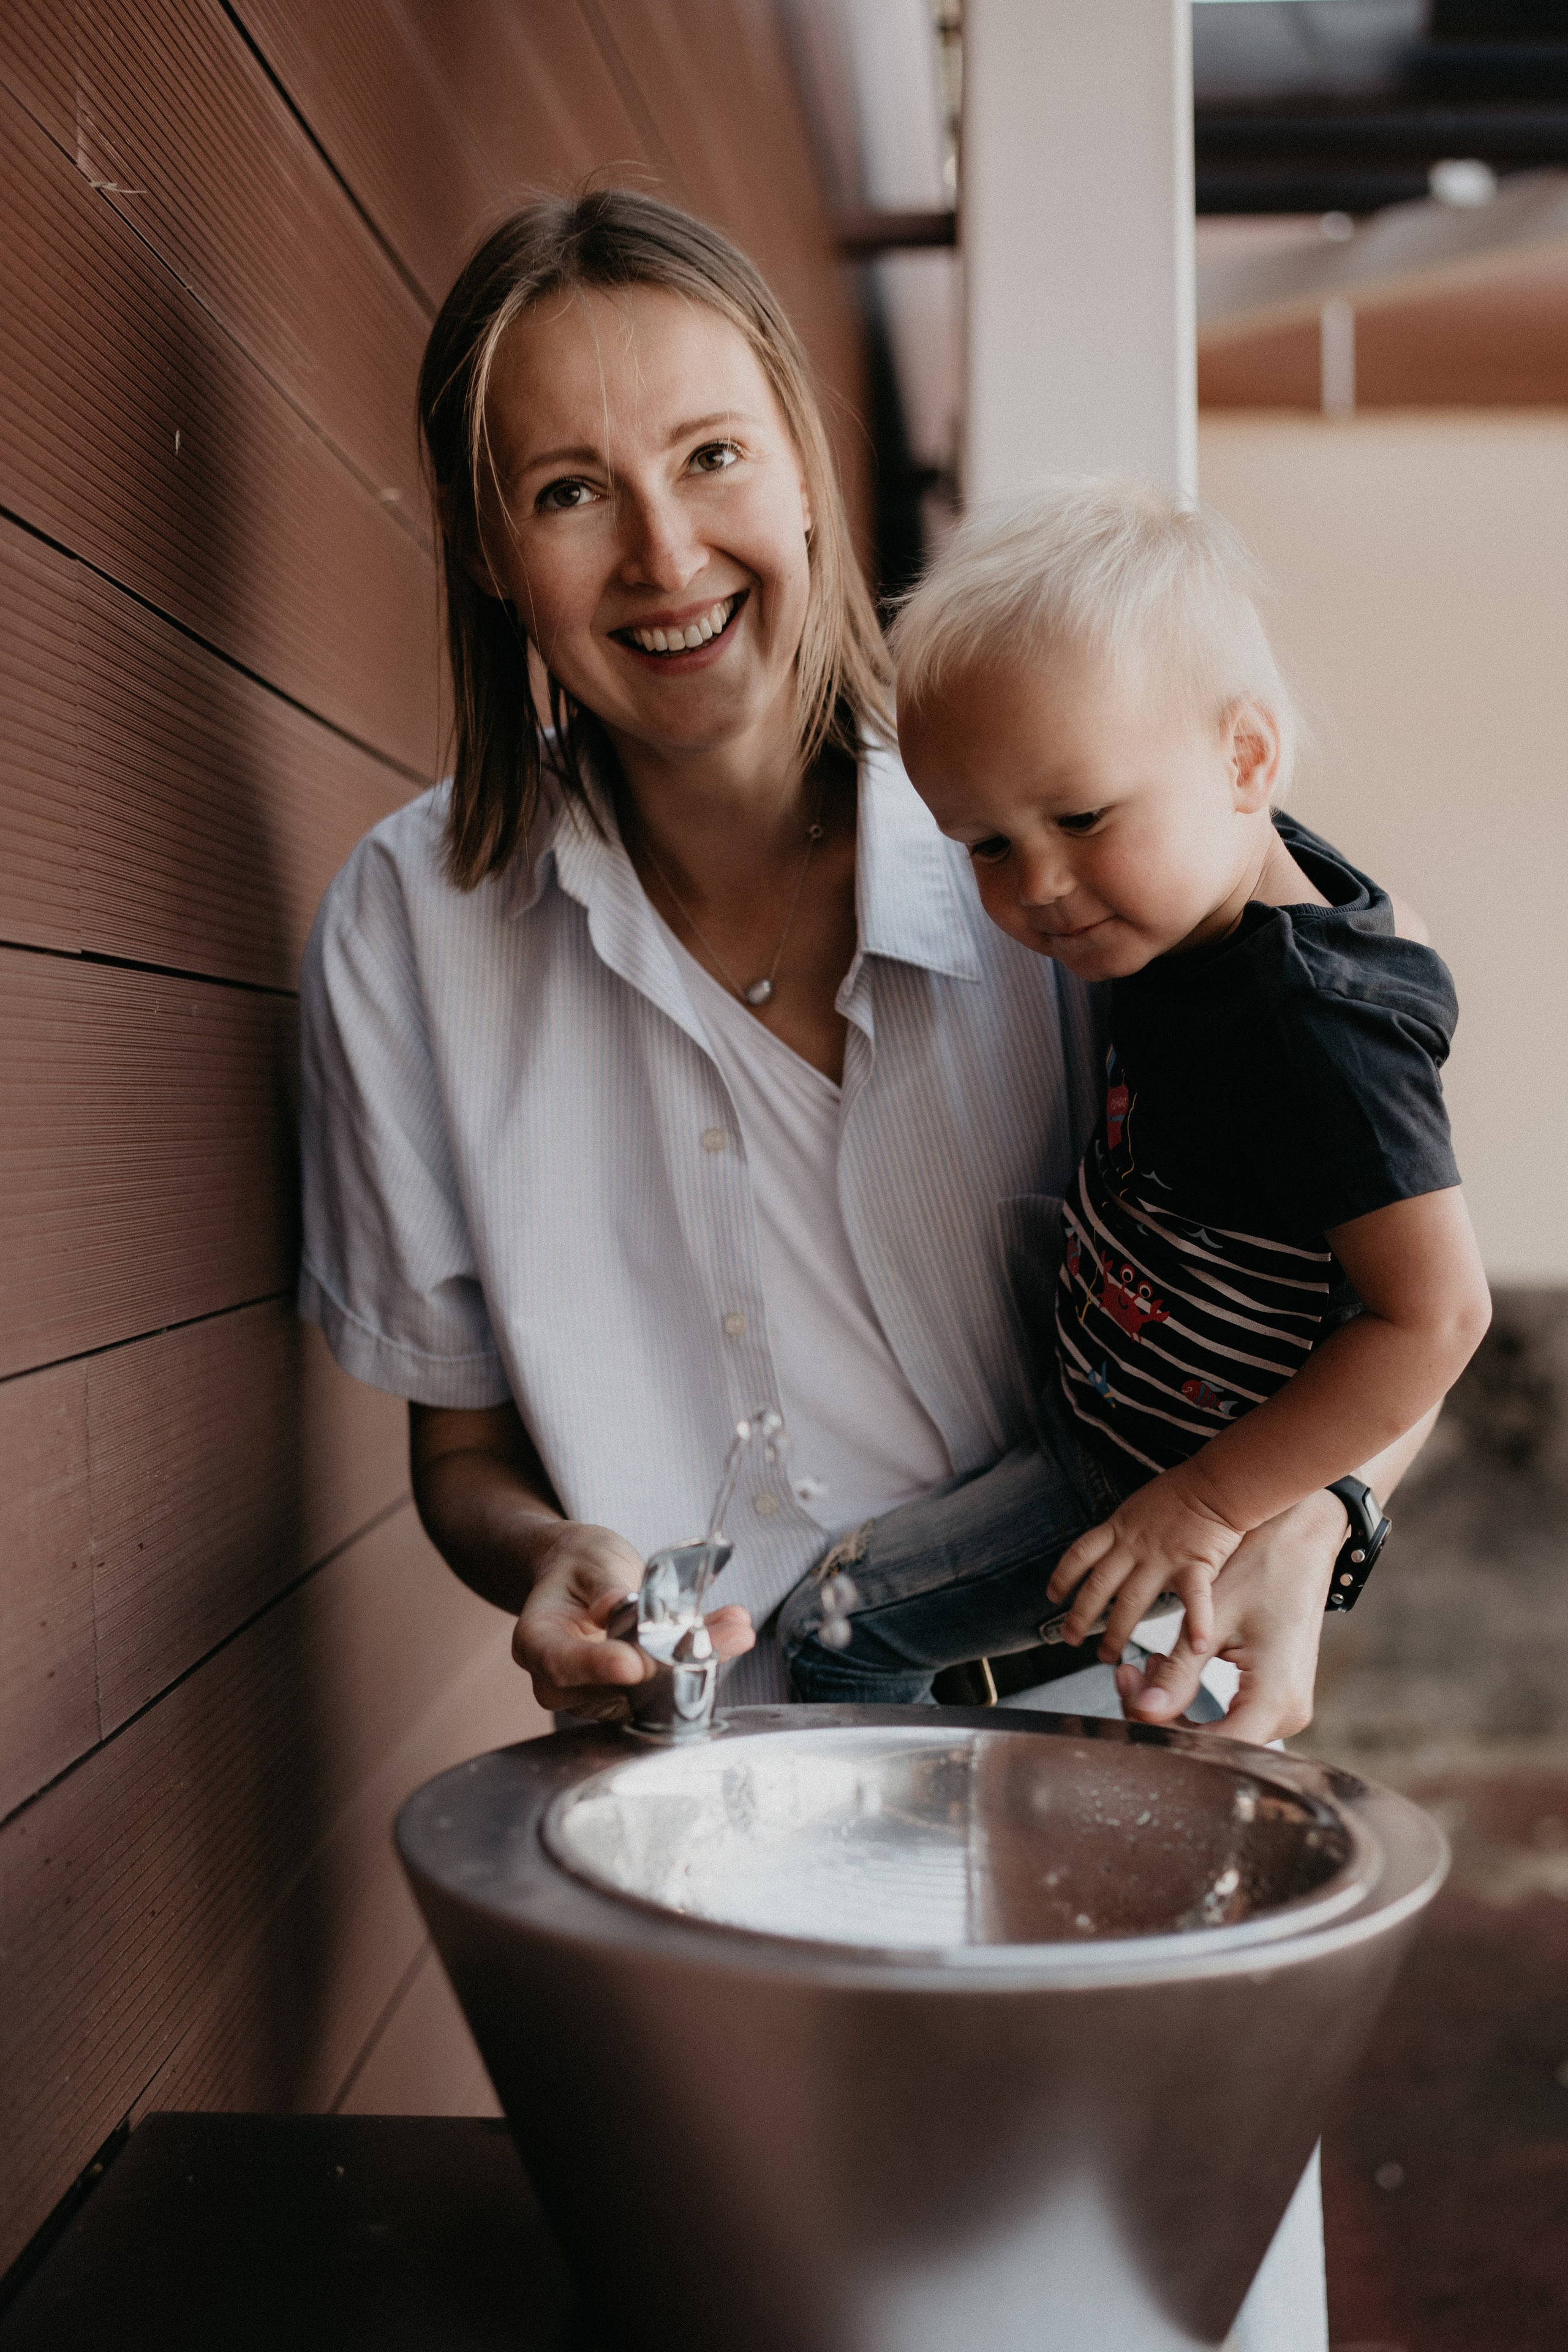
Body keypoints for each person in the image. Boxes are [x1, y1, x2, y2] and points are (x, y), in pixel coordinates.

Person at [298, 190, 1431, 2351]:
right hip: (704, 1873)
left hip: (1128, 1791)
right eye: (568, 491)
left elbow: (1387, 1248)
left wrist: (1316, 1518)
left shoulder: (1068, 829)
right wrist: (545, 1554)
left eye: (714, 456)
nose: (663, 553)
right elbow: (459, 1456)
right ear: (485, 551)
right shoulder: (405, 937)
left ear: (809, 468)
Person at [780, 480, 1490, 1709]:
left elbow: (1436, 1320)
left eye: (1079, 816)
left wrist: (1206, 1504)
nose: (1038, 886)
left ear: (1243, 758)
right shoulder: (1215, 896)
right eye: (985, 845)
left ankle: (860, 1887)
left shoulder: (1310, 1022)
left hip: (1141, 1477)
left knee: (836, 1634)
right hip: (1115, 1422)